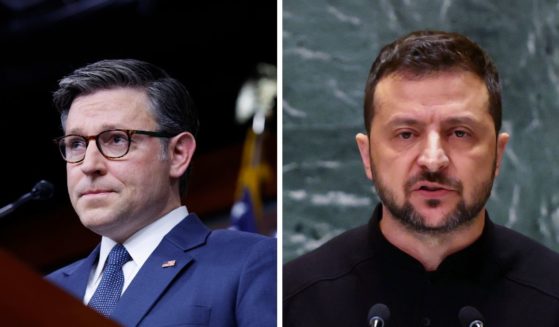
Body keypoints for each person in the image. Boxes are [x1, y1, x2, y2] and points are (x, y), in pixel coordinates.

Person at [283, 30, 559, 326]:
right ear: (367, 155)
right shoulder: (293, 301)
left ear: (498, 154)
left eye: (460, 133)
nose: (433, 159)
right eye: (406, 134)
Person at [46, 59, 276, 327]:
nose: (89, 165)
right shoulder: (43, 292)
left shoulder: (250, 263)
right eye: (76, 144)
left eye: (117, 139)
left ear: (178, 154)